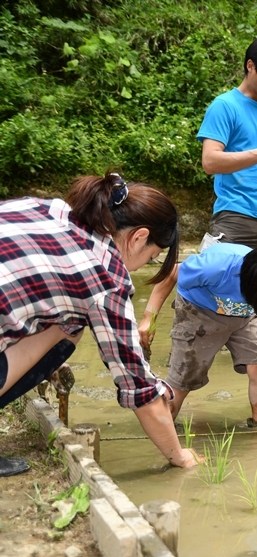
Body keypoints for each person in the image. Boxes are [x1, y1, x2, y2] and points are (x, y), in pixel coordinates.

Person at [0, 173, 198, 477]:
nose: (145, 264)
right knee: (69, 329)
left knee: (68, 324)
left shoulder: (54, 209)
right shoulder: (106, 279)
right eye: (152, 256)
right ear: (138, 237)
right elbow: (139, 388)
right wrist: (180, 456)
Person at [138, 243, 257, 432]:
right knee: (183, 378)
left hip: (244, 316)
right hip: (199, 311)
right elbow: (172, 273)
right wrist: (149, 318)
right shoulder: (218, 266)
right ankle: (162, 431)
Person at [197, 33, 257, 249]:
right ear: (251, 66)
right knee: (223, 281)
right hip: (236, 216)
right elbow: (210, 162)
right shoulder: (224, 106)